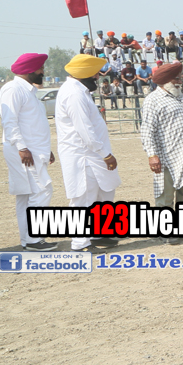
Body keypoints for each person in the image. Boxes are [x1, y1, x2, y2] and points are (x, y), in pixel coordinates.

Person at [56, 54, 122, 251]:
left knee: (104, 192)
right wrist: (105, 154)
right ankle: (80, 243)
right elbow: (84, 129)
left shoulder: (80, 91)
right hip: (83, 155)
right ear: (83, 73)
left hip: (94, 153)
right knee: (83, 198)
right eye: (94, 74)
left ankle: (97, 235)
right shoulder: (74, 94)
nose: (97, 77)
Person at [140, 61, 183, 242]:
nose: (180, 82)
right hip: (166, 157)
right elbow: (147, 130)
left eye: (180, 78)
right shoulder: (153, 100)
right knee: (165, 195)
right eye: (176, 79)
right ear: (165, 80)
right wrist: (152, 155)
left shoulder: (179, 97)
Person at [0, 53, 56, 250]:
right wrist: (22, 148)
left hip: (34, 150)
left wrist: (47, 149)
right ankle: (34, 239)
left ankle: (28, 240)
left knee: (26, 195)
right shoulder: (13, 89)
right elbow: (9, 121)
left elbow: (33, 124)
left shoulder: (28, 90)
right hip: (24, 151)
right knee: (42, 190)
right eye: (40, 69)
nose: (42, 72)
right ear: (29, 70)